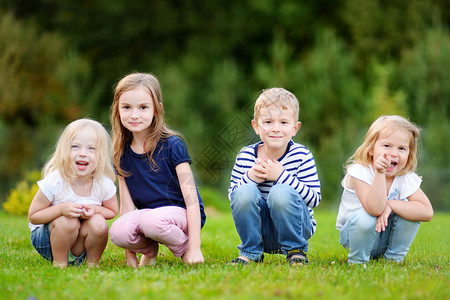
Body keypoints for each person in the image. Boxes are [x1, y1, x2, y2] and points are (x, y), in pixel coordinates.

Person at [108, 72, 206, 268]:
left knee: (152, 221)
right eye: (127, 107)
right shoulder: (121, 153)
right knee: (117, 231)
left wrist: (195, 246)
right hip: (149, 217)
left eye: (143, 107)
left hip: (182, 213)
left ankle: (184, 248)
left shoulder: (172, 144)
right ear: (117, 110)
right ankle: (149, 249)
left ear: (156, 109)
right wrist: (130, 255)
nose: (134, 115)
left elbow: (192, 199)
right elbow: (126, 209)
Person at [228, 88, 321, 266]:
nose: (275, 129)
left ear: (295, 128)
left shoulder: (301, 155)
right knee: (243, 191)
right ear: (256, 126)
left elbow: (314, 199)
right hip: (259, 231)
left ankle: (296, 251)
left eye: (284, 122)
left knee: (280, 191)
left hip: (296, 228)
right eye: (268, 122)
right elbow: (233, 197)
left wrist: (281, 176)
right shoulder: (246, 156)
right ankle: (251, 252)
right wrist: (250, 177)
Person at [336, 115, 433, 264]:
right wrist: (379, 173)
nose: (394, 153)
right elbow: (375, 209)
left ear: (409, 154)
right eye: (387, 146)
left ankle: (394, 259)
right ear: (371, 149)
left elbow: (427, 212)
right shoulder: (360, 172)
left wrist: (392, 204)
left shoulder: (405, 178)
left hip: (386, 238)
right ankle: (357, 260)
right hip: (355, 236)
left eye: (401, 148)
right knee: (366, 216)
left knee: (411, 211)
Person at [28, 119, 118, 268]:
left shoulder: (103, 183)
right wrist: (60, 209)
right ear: (64, 150)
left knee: (99, 223)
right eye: (75, 147)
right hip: (48, 241)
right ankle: (60, 262)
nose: (82, 154)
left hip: (79, 242)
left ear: (100, 155)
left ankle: (92, 264)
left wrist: (95, 210)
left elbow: (112, 210)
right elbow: (34, 216)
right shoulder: (56, 181)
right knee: (67, 221)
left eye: (91, 149)